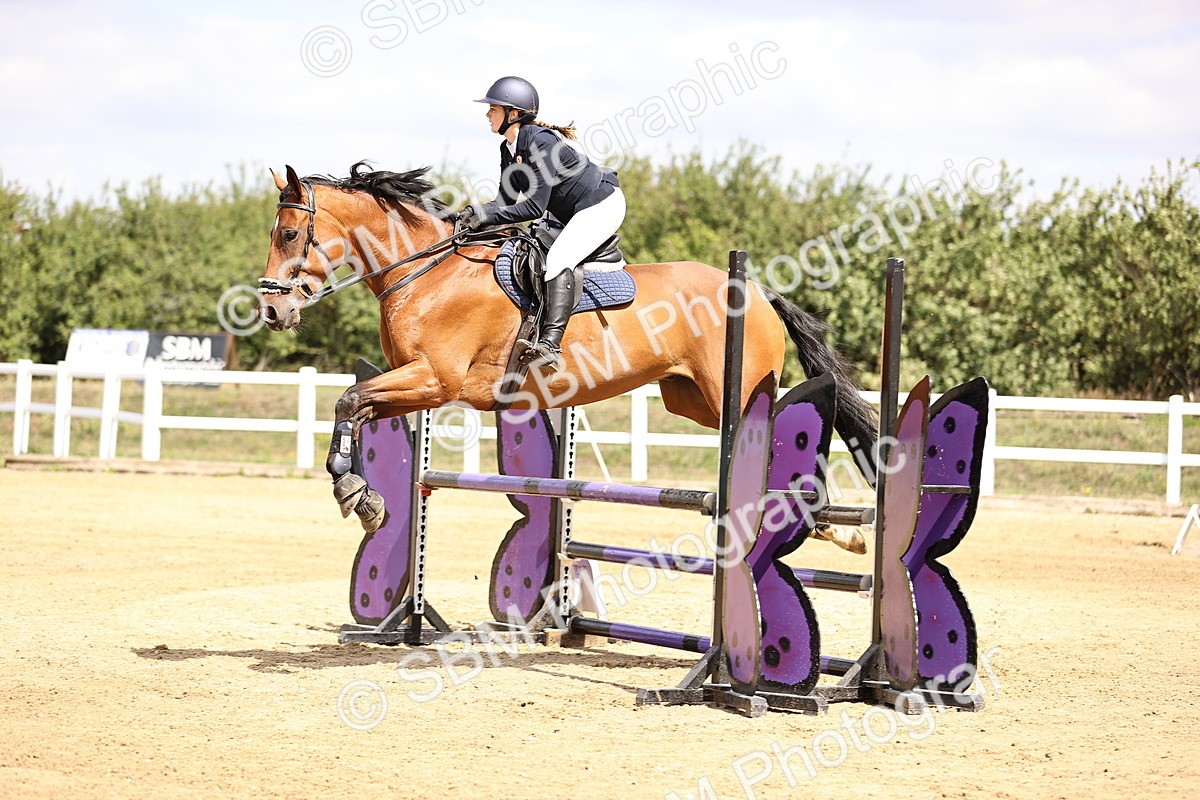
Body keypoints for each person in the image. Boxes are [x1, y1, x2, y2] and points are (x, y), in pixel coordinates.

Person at [455, 76, 626, 371]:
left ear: (513, 113)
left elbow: (534, 207)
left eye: (493, 109)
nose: (487, 114)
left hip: (600, 205)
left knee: (559, 259)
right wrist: (472, 213)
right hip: (567, 211)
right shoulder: (509, 148)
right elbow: (506, 201)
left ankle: (550, 345)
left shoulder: (541, 142)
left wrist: (487, 215)